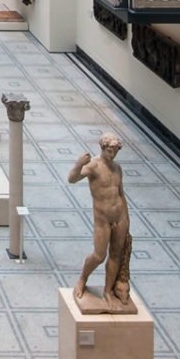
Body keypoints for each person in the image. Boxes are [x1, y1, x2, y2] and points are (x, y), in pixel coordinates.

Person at [69, 132, 136, 314]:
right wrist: (78, 164)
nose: (112, 154)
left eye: (115, 151)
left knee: (116, 254)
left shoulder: (117, 168)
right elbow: (72, 179)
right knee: (99, 255)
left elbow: (121, 194)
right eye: (109, 150)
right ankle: (82, 279)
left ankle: (108, 291)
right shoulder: (94, 167)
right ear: (102, 148)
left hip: (120, 217)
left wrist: (126, 218)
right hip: (103, 220)